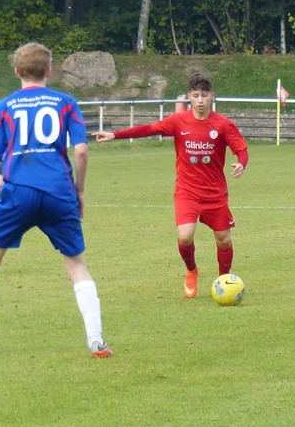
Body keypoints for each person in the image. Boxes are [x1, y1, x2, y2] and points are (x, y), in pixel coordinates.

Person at [0, 42, 111, 359]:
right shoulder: (66, 102)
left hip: (18, 191)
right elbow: (81, 150)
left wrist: (7, 173)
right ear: (49, 70)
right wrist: (79, 191)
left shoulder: (6, 106)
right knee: (77, 265)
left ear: (16, 72)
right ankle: (97, 342)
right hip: (59, 192)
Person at [93, 72, 249, 298]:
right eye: (196, 95)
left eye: (204, 95)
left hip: (215, 192)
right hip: (187, 191)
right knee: (185, 236)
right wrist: (115, 135)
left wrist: (242, 163)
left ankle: (223, 281)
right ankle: (191, 270)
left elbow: (241, 149)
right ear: (189, 96)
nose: (200, 100)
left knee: (224, 240)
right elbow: (149, 129)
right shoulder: (178, 121)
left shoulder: (223, 124)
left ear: (212, 96)